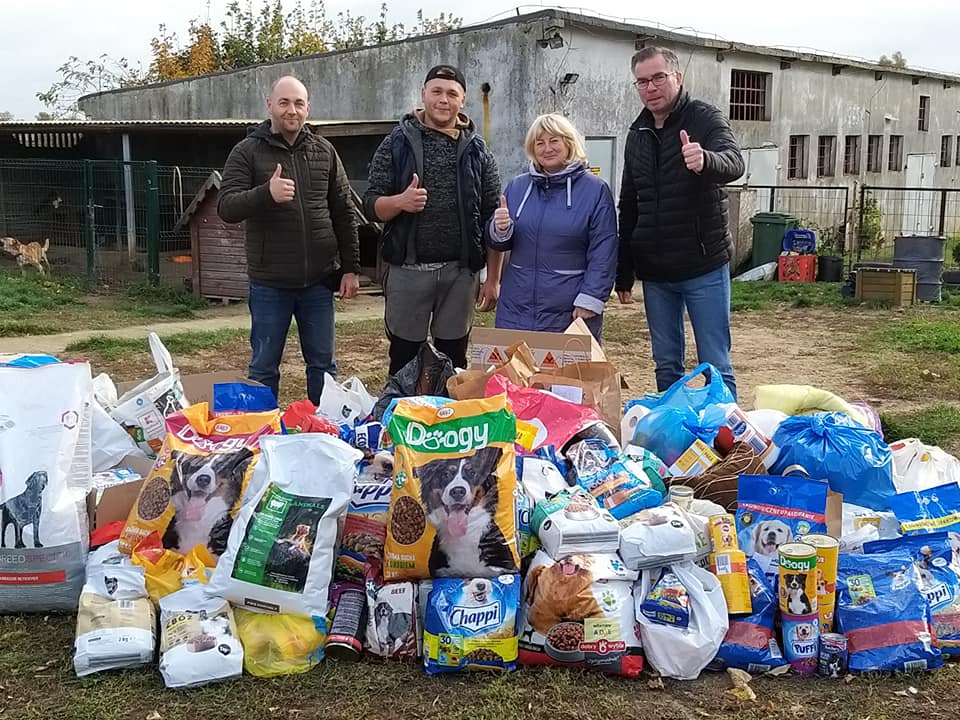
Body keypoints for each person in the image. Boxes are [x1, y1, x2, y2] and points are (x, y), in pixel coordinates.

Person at [218, 75, 360, 405]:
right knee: (264, 367)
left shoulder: (324, 151)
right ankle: (262, 431)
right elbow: (227, 206)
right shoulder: (247, 152)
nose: (291, 110)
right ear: (270, 105)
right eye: (284, 102)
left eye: (298, 103)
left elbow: (344, 211)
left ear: (308, 107)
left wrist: (351, 269)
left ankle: (325, 430)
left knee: (323, 366)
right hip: (271, 284)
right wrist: (265, 193)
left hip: (319, 282)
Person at [615, 46, 745, 398]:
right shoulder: (637, 133)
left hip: (702, 264)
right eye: (642, 81)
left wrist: (705, 160)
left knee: (715, 364)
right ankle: (674, 436)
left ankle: (727, 439)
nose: (651, 88)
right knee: (667, 364)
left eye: (658, 78)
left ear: (677, 77)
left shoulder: (703, 117)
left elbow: (735, 162)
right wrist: (623, 270)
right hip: (656, 273)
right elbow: (629, 203)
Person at [363, 64, 503, 376]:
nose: (444, 100)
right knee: (404, 359)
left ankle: (448, 419)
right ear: (423, 95)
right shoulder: (396, 142)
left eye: (452, 93)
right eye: (436, 91)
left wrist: (492, 279)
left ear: (462, 100)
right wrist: (400, 202)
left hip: (460, 273)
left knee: (453, 359)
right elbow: (371, 205)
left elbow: (494, 219)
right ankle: (403, 416)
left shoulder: (479, 152)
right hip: (407, 270)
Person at [489, 113, 617, 341]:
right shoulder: (517, 187)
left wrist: (590, 298)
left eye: (554, 141)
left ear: (569, 143)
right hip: (515, 308)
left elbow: (603, 250)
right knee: (514, 375)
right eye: (540, 143)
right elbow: (500, 242)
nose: (547, 148)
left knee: (564, 377)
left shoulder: (595, 190)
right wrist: (500, 229)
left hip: (569, 310)